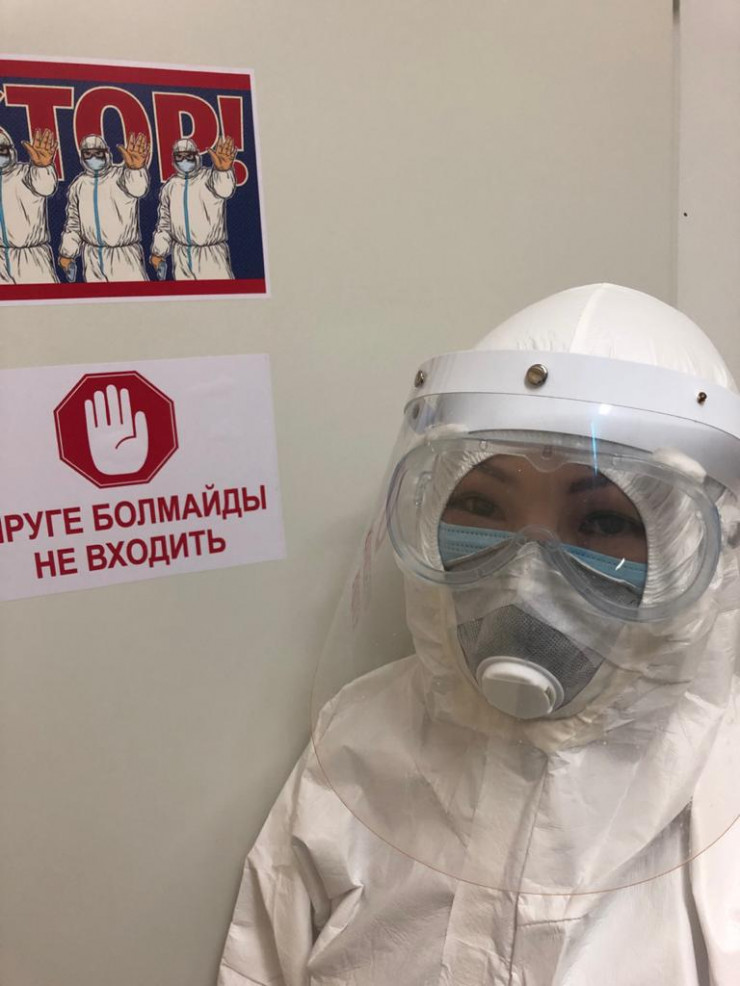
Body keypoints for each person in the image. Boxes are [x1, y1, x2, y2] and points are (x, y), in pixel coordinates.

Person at [218, 284, 740, 985]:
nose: (525, 580)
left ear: (707, 554)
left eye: (602, 522)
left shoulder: (723, 799)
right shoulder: (359, 740)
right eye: (480, 507)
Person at [58, 133, 150, 282]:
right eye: (88, 154)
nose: (93, 158)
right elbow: (74, 223)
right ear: (82, 156)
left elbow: (138, 188)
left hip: (124, 255)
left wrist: (136, 170)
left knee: (133, 295)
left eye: (98, 153)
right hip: (92, 258)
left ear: (106, 154)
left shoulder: (121, 176)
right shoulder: (79, 185)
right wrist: (68, 252)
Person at [150, 136, 240, 281]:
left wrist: (223, 171)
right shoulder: (170, 186)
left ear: (196, 156)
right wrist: (158, 252)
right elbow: (165, 223)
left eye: (189, 156)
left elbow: (225, 190)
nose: (184, 160)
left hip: (211, 255)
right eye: (179, 156)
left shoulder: (210, 178)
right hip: (181, 257)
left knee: (220, 292)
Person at [0, 127, 59, 284]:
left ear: (10, 151)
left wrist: (42, 167)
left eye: (1, 150)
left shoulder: (25, 172)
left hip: (31, 258)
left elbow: (47, 187)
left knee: (45, 299)